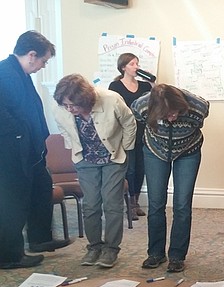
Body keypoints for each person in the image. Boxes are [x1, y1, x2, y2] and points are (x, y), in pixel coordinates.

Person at [0, 30, 70, 269]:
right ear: (31, 55)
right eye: (44, 60)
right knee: (13, 201)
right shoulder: (4, 72)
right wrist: (21, 133)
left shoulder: (20, 72)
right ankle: (9, 255)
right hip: (11, 151)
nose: (43, 65)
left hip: (31, 149)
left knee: (41, 189)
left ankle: (40, 238)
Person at [53, 74, 136, 268]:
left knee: (111, 203)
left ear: (85, 99)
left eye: (73, 105)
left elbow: (129, 123)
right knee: (90, 205)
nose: (69, 109)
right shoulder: (60, 109)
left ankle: (111, 249)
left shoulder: (111, 99)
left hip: (113, 159)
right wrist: (73, 147)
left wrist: (125, 147)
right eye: (65, 105)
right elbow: (64, 129)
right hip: (85, 160)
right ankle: (94, 247)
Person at [131, 84, 209, 273]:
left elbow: (198, 124)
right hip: (154, 150)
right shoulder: (141, 106)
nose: (172, 118)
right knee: (156, 203)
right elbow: (141, 121)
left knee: (182, 204)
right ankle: (155, 254)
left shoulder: (197, 107)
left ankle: (177, 256)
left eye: (175, 113)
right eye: (166, 115)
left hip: (188, 151)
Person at [108, 53, 153, 220]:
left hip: (144, 130)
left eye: (137, 64)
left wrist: (153, 85)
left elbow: (155, 104)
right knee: (130, 167)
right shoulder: (115, 86)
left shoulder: (144, 86)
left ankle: (136, 201)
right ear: (123, 67)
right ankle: (129, 203)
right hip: (126, 131)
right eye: (133, 64)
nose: (136, 67)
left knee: (142, 167)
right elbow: (113, 108)